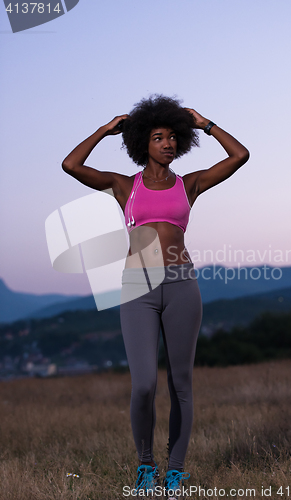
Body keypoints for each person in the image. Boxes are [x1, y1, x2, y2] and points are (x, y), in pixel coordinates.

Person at [62, 95, 249, 497]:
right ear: (141, 144)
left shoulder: (190, 184)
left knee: (181, 383)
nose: (166, 143)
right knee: (144, 383)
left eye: (170, 137)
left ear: (180, 140)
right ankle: (145, 467)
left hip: (183, 285)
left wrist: (206, 124)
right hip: (138, 288)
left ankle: (176, 472)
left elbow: (240, 155)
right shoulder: (123, 185)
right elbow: (71, 166)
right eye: (156, 137)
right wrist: (104, 130)